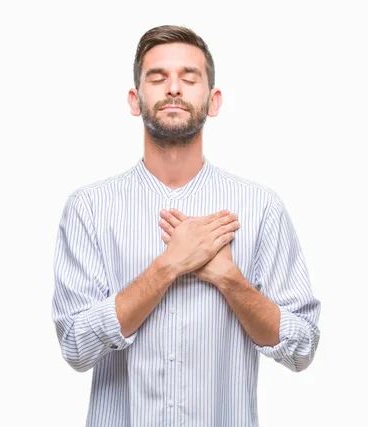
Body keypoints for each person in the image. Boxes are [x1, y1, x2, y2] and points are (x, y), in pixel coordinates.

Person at [52, 24, 321, 427]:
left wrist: (230, 279)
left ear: (213, 101)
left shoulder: (261, 208)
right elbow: (75, 346)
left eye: (188, 78)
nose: (173, 88)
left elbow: (302, 347)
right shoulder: (89, 208)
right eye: (157, 78)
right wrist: (168, 266)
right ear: (135, 99)